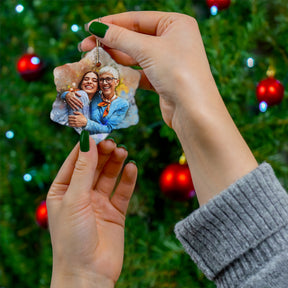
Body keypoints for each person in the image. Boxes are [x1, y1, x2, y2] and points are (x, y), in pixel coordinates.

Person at [47, 11, 288, 288]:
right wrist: (82, 276)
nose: (95, 85)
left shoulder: (118, 104)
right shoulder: (76, 97)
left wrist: (78, 277)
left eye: (100, 82)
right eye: (91, 82)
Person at [66, 66, 129, 134]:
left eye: (108, 79)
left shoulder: (122, 104)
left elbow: (109, 129)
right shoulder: (95, 95)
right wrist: (66, 95)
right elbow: (78, 91)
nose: (105, 83)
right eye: (101, 80)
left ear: (116, 82)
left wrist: (87, 123)